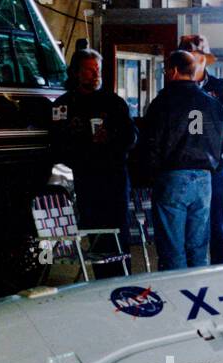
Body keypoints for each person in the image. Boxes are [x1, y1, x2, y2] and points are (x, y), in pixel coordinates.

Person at [49, 48, 137, 278]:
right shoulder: (62, 105)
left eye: (97, 69)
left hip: (114, 180)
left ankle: (123, 283)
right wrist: (84, 145)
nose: (95, 74)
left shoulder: (114, 102)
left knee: (119, 235)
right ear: (76, 73)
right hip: (85, 180)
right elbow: (56, 144)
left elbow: (132, 138)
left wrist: (111, 139)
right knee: (95, 236)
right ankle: (101, 283)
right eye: (89, 70)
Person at [141, 51, 223, 271]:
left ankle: (175, 297)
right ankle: (199, 291)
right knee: (198, 246)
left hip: (172, 177)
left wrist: (151, 176)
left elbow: (150, 145)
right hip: (204, 180)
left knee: (172, 248)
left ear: (172, 71)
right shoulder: (213, 104)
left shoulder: (162, 103)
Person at [178, 34, 223, 265]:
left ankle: (222, 274)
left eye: (196, 55)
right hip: (183, 167)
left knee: (218, 225)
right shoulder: (174, 89)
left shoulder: (220, 88)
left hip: (214, 167)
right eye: (187, 56)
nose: (192, 60)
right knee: (186, 230)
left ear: (204, 59)